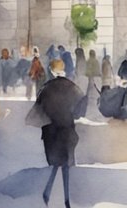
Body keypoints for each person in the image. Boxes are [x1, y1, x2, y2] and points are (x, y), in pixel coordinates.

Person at [33, 58, 85, 208]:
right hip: (66, 129)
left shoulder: (46, 88)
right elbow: (81, 105)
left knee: (55, 163)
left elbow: (38, 110)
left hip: (51, 131)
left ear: (51, 70)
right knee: (66, 164)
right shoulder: (72, 87)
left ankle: (48, 194)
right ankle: (66, 199)